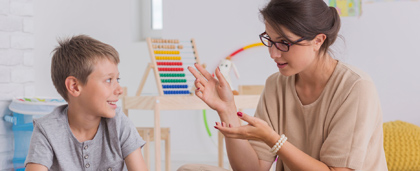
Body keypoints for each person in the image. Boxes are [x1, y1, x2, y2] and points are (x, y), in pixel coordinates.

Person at [181, 0, 388, 170]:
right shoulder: (276, 85)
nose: (273, 53)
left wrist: (274, 140)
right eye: (269, 40)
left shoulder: (355, 88)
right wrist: (227, 110)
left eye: (284, 43)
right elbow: (253, 169)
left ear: (318, 41)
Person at [25, 35, 148, 171]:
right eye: (108, 80)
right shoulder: (47, 130)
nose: (119, 90)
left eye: (117, 79)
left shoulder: (119, 124)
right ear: (75, 87)